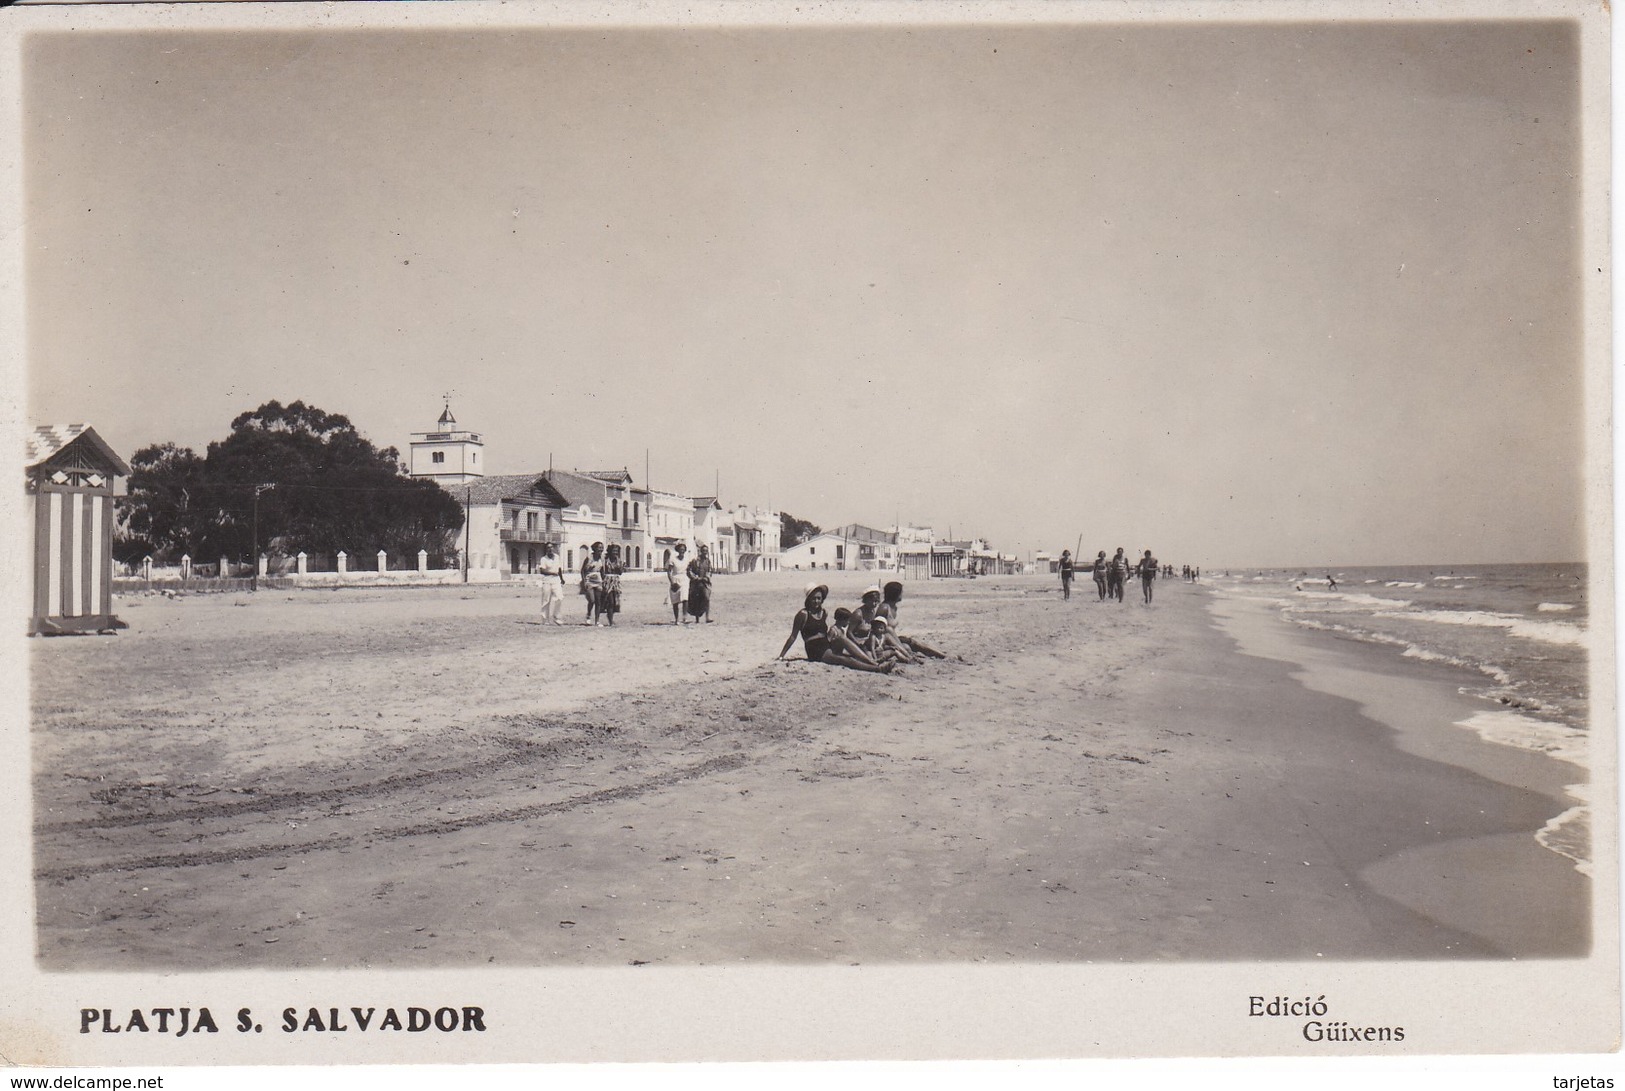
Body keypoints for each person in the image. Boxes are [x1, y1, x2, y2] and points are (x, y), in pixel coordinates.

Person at [778, 584, 891, 672]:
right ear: (808, 599)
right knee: (844, 660)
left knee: (842, 639)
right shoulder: (803, 614)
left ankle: (873, 662)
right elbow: (793, 636)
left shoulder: (824, 612)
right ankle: (876, 668)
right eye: (813, 598)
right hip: (814, 648)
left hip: (825, 642)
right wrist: (781, 656)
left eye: (819, 598)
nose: (816, 601)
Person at [879, 581, 945, 658]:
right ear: (895, 593)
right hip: (885, 641)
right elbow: (877, 628)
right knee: (908, 646)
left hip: (894, 639)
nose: (902, 595)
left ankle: (943, 655)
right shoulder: (884, 608)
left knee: (916, 643)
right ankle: (942, 655)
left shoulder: (894, 607)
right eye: (901, 592)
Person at [536, 542, 565, 626]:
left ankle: (557, 617)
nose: (550, 549)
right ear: (546, 549)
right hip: (547, 580)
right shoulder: (543, 559)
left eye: (551, 547)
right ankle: (545, 619)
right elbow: (542, 570)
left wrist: (562, 578)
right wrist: (552, 572)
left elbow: (559, 568)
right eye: (548, 547)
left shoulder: (557, 557)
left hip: (556, 580)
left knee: (559, 597)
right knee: (546, 600)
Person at [686, 543, 713, 623]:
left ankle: (707, 617)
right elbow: (689, 570)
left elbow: (710, 571)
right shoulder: (695, 560)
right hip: (696, 583)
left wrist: (706, 577)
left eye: (706, 551)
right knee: (696, 600)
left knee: (707, 598)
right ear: (700, 551)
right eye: (703, 551)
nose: (705, 552)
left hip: (705, 583)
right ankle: (697, 618)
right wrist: (695, 578)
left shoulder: (708, 561)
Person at [580, 542, 605, 625]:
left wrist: (604, 580)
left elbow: (602, 571)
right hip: (589, 580)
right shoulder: (589, 558)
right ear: (594, 548)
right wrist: (584, 581)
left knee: (598, 601)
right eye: (599, 547)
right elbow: (582, 570)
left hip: (598, 580)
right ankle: (588, 615)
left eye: (602, 548)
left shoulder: (601, 559)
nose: (601, 549)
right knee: (592, 600)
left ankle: (597, 621)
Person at [599, 544, 624, 626]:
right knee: (610, 601)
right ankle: (610, 620)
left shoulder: (618, 560)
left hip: (616, 582)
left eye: (616, 551)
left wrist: (621, 567)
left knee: (615, 602)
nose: (615, 553)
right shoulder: (605, 560)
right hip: (608, 582)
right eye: (613, 551)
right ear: (609, 551)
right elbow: (602, 571)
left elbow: (620, 573)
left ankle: (610, 617)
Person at [665, 544, 689, 624]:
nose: (682, 551)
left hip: (684, 579)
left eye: (683, 549)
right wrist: (672, 582)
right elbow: (669, 572)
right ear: (678, 550)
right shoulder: (673, 559)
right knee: (675, 601)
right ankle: (677, 619)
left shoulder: (687, 559)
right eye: (680, 549)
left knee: (685, 598)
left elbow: (689, 570)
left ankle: (684, 617)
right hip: (675, 579)